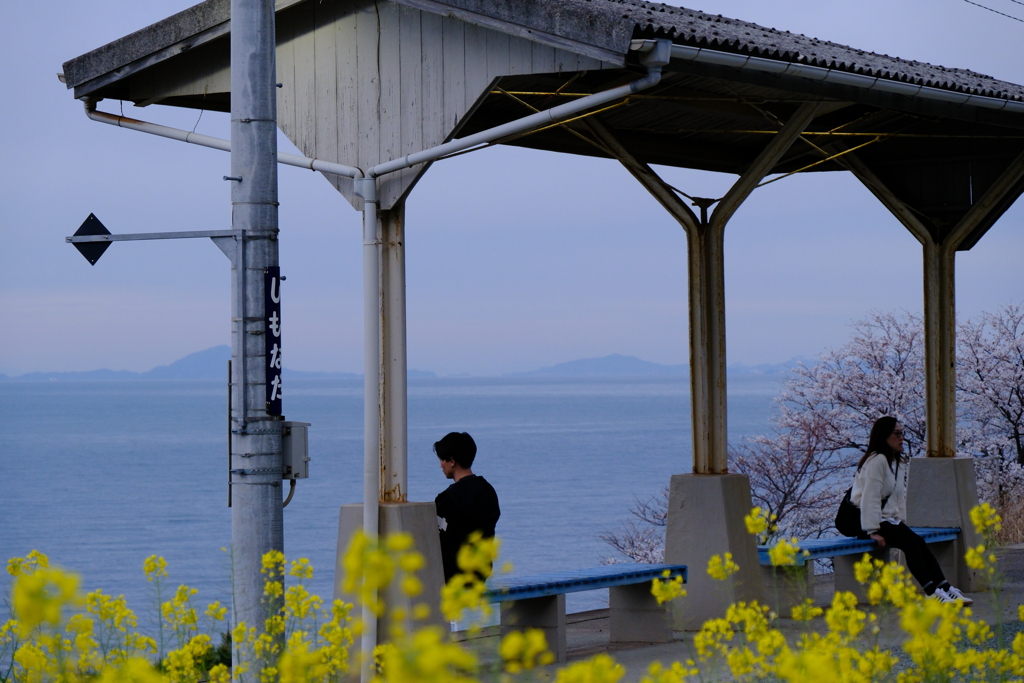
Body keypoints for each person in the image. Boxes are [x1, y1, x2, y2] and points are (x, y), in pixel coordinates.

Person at [850, 416, 972, 604]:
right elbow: (869, 497)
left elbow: (898, 495)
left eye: (902, 433)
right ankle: (932, 592)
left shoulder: (896, 461)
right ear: (884, 436)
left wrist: (901, 520)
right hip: (866, 519)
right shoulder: (877, 461)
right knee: (912, 544)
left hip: (887, 519)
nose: (901, 438)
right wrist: (872, 530)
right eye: (896, 434)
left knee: (918, 542)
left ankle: (945, 588)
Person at [433, 432, 500, 583]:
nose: (440, 465)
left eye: (442, 459)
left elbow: (436, 538)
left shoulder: (448, 499)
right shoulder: (488, 491)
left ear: (452, 461)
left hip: (451, 576)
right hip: (480, 574)